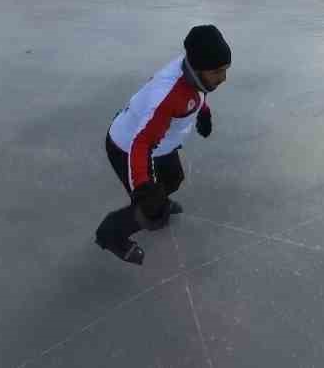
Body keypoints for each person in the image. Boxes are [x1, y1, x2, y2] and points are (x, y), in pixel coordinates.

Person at [94, 24, 231, 265]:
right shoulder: (167, 96)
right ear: (198, 68)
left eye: (225, 70)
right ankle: (111, 233)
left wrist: (203, 112)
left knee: (174, 178)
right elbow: (141, 143)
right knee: (149, 206)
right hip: (127, 147)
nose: (223, 78)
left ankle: (158, 203)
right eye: (217, 72)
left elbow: (199, 94)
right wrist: (143, 188)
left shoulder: (194, 73)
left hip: (161, 144)